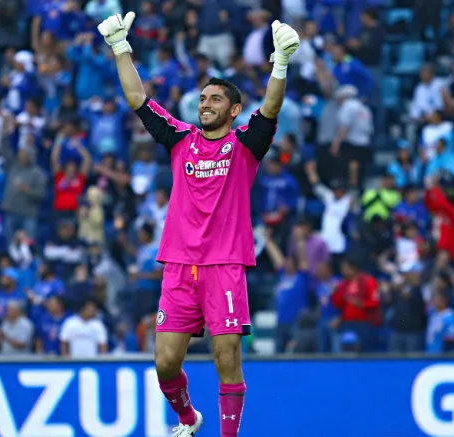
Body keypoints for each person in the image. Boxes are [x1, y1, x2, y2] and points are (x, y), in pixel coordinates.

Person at [99, 12, 299, 436]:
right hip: (178, 266)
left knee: (226, 359)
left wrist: (280, 62)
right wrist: (120, 48)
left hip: (224, 265)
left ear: (233, 110)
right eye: (203, 99)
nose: (205, 104)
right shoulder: (179, 138)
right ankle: (189, 420)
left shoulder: (245, 145)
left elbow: (272, 107)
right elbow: (138, 98)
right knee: (165, 363)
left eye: (214, 100)